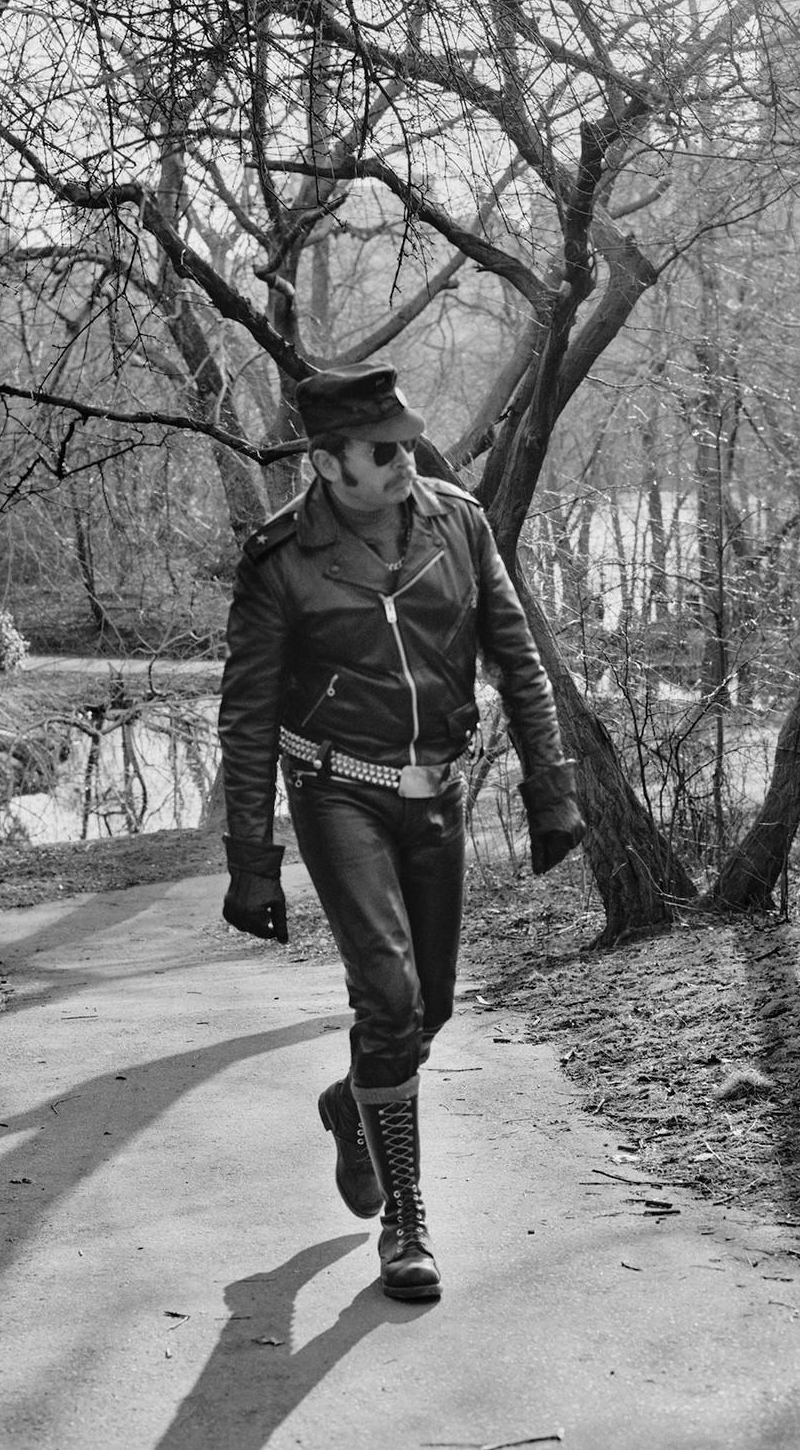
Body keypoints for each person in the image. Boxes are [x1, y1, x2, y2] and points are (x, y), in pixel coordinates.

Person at [216, 362, 586, 1302]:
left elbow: (520, 659)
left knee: (431, 1010)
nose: (406, 458)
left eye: (409, 438)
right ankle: (406, 1222)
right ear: (330, 460)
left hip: (438, 794)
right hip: (337, 791)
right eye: (384, 449)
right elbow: (247, 718)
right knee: (389, 997)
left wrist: (553, 789)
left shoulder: (458, 521)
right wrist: (253, 863)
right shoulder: (281, 561)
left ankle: (354, 1102)